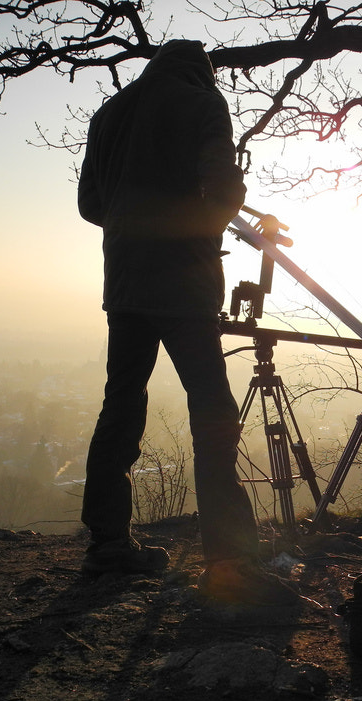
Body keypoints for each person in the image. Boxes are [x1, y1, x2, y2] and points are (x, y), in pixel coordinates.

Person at [76, 39, 298, 607]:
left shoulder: (109, 113)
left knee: (120, 405)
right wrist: (195, 233)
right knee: (213, 412)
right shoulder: (203, 103)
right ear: (203, 73)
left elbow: (91, 205)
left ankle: (107, 545)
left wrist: (135, 227)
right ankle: (230, 561)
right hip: (183, 285)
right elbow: (224, 192)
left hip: (125, 283)